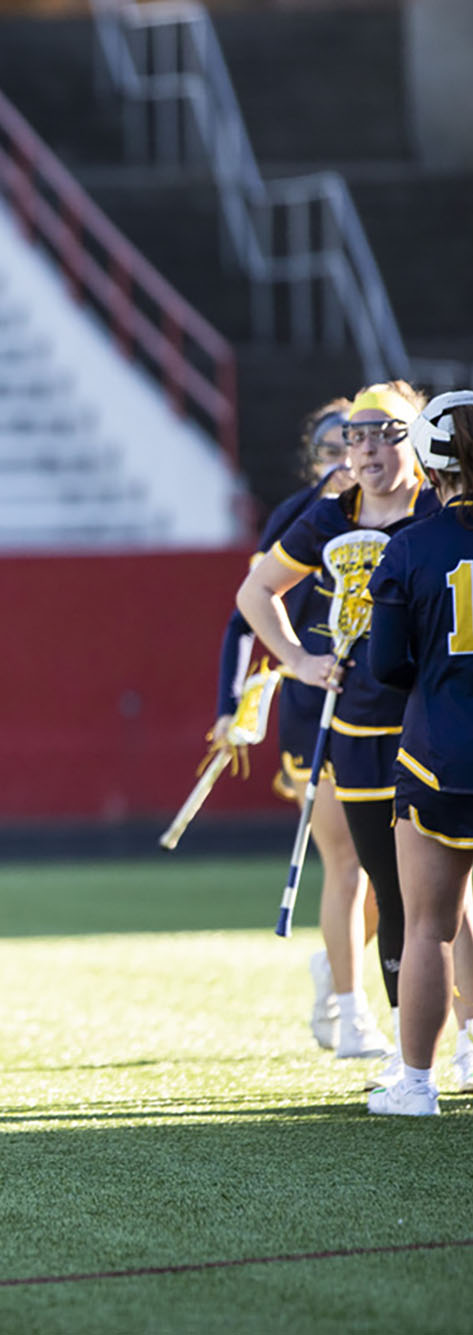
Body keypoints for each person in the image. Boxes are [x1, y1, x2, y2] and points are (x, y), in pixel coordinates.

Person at [239, 382, 439, 1085]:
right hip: (355, 724)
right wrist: (298, 659)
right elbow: (254, 592)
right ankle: (387, 1037)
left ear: (414, 439)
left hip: (432, 723)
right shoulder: (329, 517)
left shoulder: (442, 511)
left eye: (386, 433)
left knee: (447, 893)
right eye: (356, 436)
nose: (368, 449)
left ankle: (468, 1034)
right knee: (385, 886)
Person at [212, 399, 382, 1056]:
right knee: (344, 863)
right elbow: (243, 614)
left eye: (356, 444)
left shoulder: (396, 514)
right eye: (331, 449)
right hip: (316, 709)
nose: (346, 460)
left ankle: (336, 964)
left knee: (392, 872)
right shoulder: (302, 519)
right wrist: (232, 704)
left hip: (383, 705)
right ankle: (349, 1007)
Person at [364, 390, 473, 1115]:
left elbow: (384, 665)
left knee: (429, 923)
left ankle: (416, 1083)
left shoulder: (407, 547)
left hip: (439, 755)